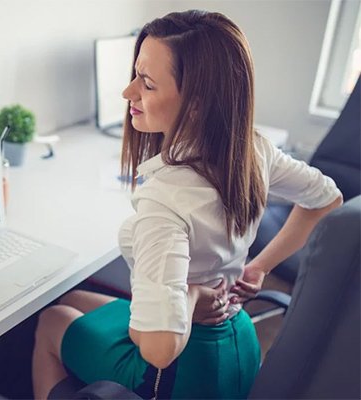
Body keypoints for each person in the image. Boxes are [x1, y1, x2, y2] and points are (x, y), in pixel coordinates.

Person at [32, 10, 343, 400]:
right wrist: (259, 267)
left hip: (184, 368)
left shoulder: (166, 201)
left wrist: (193, 296)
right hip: (239, 340)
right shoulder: (251, 148)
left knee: (51, 319)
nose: (128, 93)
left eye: (146, 84)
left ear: (196, 104)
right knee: (74, 299)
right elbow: (327, 199)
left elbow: (159, 349)